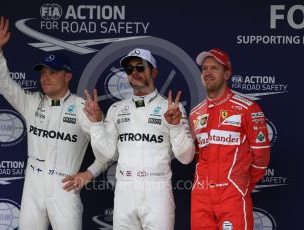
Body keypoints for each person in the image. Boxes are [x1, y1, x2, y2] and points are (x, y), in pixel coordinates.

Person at [0, 16, 109, 230]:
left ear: (68, 76)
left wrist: (89, 172)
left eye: (53, 72)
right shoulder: (31, 102)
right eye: (43, 72)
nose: (45, 77)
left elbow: (108, 151)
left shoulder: (84, 108)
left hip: (64, 187)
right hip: (33, 187)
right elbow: (3, 82)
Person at [83, 48, 195, 229]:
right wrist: (96, 124)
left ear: (154, 72)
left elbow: (186, 157)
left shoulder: (171, 108)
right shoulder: (116, 109)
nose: (134, 72)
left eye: (140, 67)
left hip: (157, 189)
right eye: (129, 69)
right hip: (124, 190)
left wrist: (175, 126)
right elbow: (107, 155)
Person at [189, 48, 271, 230]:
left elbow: (261, 157)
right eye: (204, 69)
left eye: (214, 68)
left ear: (227, 73)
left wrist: (239, 184)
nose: (208, 73)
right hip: (201, 196)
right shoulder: (195, 113)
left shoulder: (248, 108)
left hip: (231, 194)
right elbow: (196, 154)